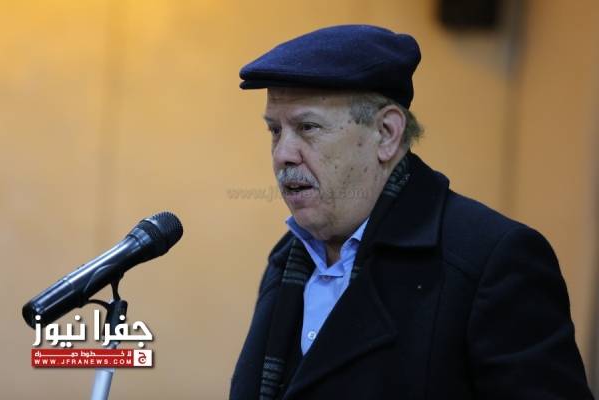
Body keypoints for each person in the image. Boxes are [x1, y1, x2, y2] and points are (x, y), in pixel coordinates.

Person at [230, 25, 594, 400]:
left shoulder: (492, 261)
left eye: (307, 127)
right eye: (275, 131)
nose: (282, 154)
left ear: (386, 133)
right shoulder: (287, 259)